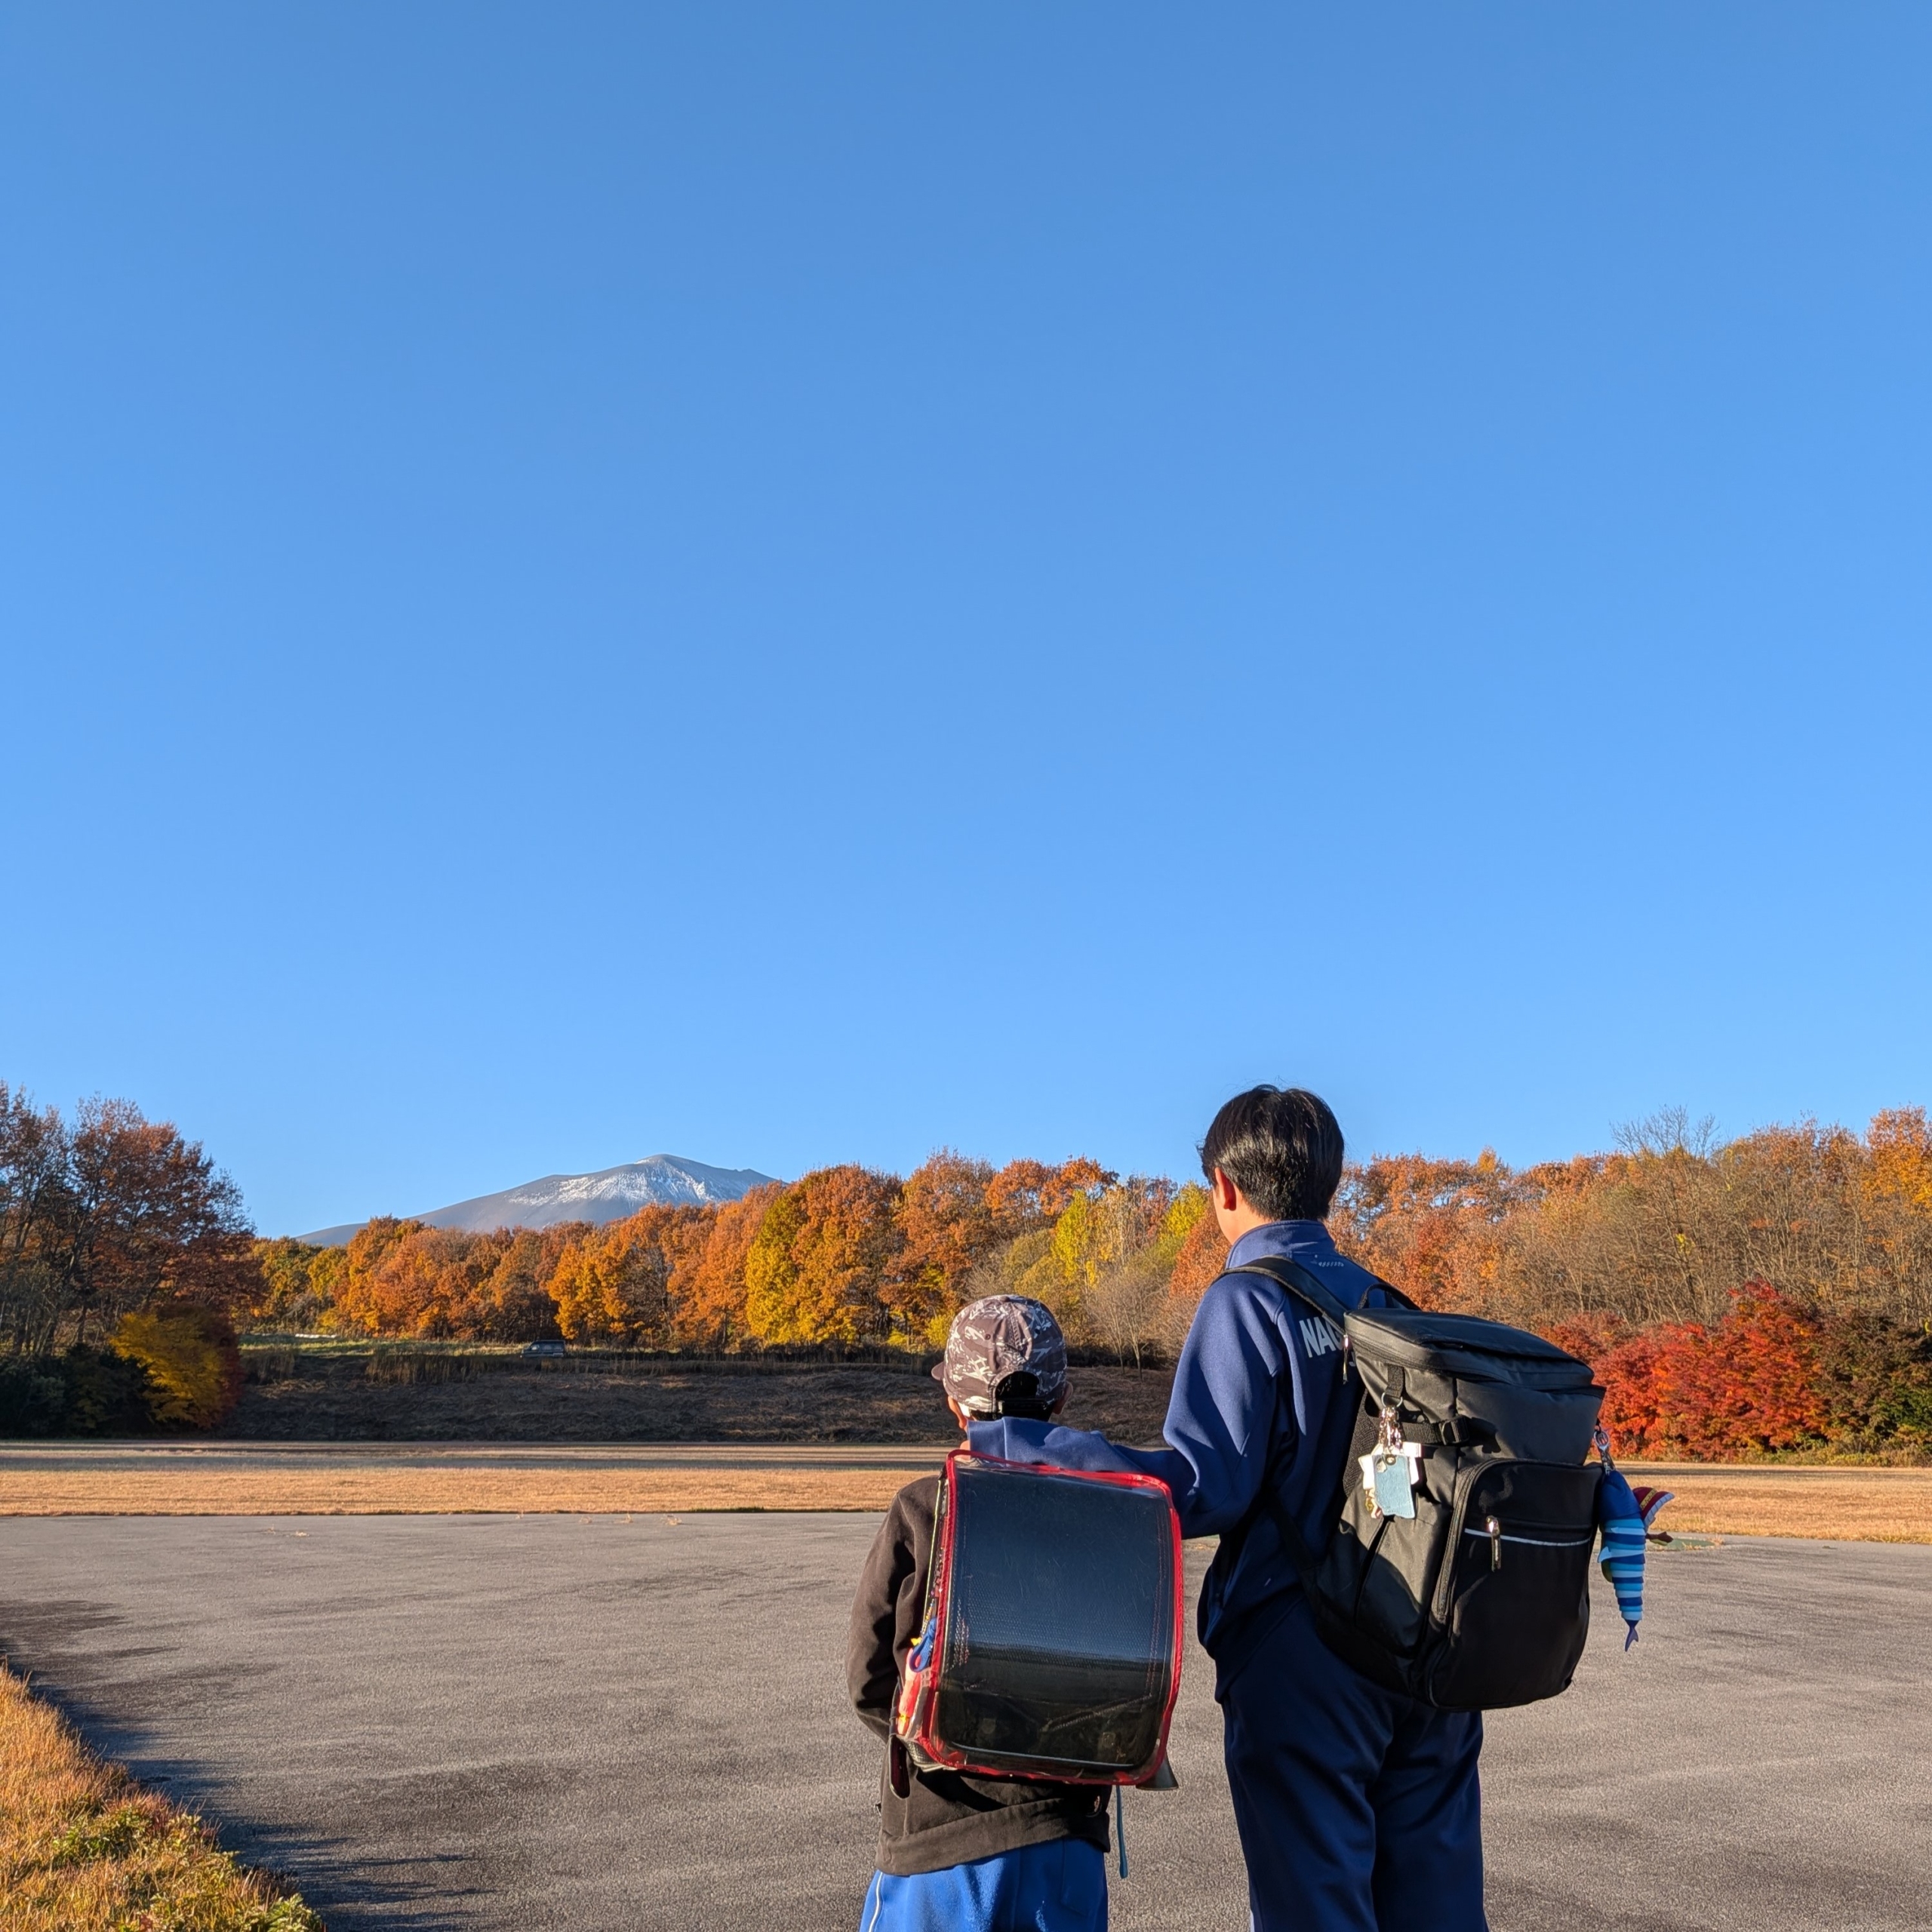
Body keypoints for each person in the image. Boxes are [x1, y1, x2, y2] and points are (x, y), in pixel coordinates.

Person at [1144, 1084, 1487, 1932]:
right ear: (1331, 1184)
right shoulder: (1392, 1307)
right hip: (1427, 1648)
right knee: (1438, 1909)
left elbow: (1206, 1484)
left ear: (1223, 1186)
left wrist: (1056, 1455)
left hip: (1305, 1650)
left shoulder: (1247, 1299)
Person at [847, 1294, 1137, 1932]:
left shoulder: (922, 1510)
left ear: (954, 1402)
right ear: (1062, 1400)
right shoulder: (1113, 1516)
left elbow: (869, 1682)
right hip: (1066, 1841)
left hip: (937, 1842)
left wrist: (941, 1741)